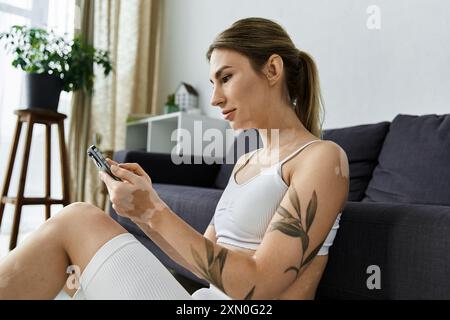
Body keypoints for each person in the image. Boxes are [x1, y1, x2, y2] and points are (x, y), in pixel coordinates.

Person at [0, 17, 349, 300]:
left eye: (226, 78)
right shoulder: (246, 162)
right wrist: (144, 211)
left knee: (76, 219)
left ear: (273, 70)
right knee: (68, 275)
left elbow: (258, 287)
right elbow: (203, 264)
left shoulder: (321, 159)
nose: (214, 98)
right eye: (213, 82)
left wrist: (154, 211)